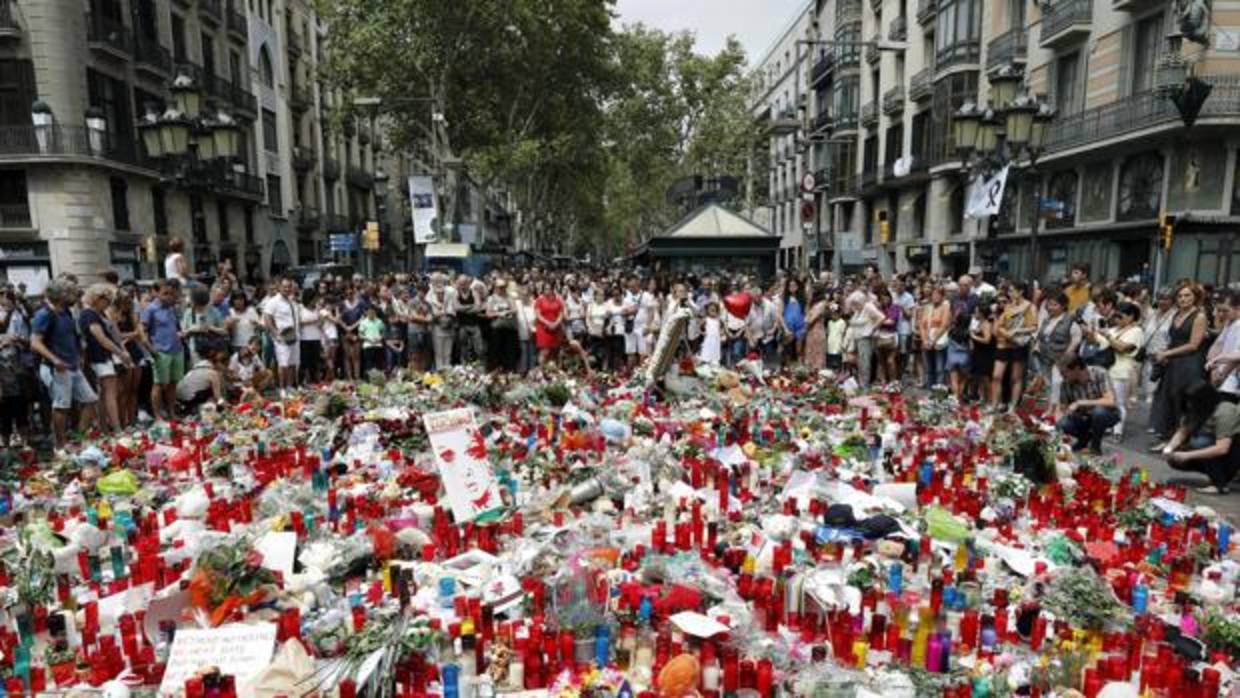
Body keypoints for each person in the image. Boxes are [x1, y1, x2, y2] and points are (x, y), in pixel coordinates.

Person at [31, 280, 98, 445]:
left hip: (72, 365)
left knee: (90, 400)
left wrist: (79, 355)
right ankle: (60, 445)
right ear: (62, 295)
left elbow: (72, 336)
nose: (76, 296)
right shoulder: (45, 314)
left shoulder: (67, 312)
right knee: (61, 406)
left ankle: (80, 439)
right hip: (57, 367)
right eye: (73, 293)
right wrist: (55, 360)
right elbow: (35, 342)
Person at [1150, 282, 1209, 451]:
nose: (1183, 299)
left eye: (1188, 295)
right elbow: (1172, 340)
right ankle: (1169, 438)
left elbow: (1193, 345)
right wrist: (1166, 354)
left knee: (1184, 402)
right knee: (1169, 400)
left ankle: (1180, 441)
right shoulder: (1175, 314)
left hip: (1190, 364)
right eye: (1180, 296)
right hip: (1173, 363)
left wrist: (1168, 354)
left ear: (1195, 297)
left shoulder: (1199, 316)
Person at [1162, 381, 1240, 494]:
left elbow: (1222, 448)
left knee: (1202, 443)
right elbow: (1182, 431)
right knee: (1176, 458)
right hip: (1215, 447)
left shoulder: (1224, 411)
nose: (1189, 405)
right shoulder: (1196, 411)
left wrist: (1188, 455)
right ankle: (1214, 475)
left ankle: (1220, 484)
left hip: (1233, 451)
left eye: (1191, 402)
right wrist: (1169, 449)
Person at [79, 284, 133, 432]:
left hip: (104, 356)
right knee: (110, 393)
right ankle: (116, 428)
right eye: (107, 300)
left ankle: (106, 428)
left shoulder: (99, 314)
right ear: (97, 299)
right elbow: (101, 338)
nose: (109, 303)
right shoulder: (89, 314)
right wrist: (121, 353)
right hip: (98, 357)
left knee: (105, 395)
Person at [1088, 302, 1144, 438]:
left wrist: (1107, 336)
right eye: (1116, 316)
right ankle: (1108, 425)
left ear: (1131, 316)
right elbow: (1094, 341)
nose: (1117, 319)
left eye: (1121, 316)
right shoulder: (1113, 329)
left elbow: (1123, 348)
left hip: (1122, 371)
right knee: (1107, 401)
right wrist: (1090, 330)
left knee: (1119, 403)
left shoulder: (1136, 331)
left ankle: (1118, 431)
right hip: (1106, 370)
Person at [1055, 356, 1120, 455]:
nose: (1061, 375)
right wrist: (1056, 430)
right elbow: (1062, 408)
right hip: (1083, 417)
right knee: (1062, 424)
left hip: (1108, 413)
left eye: (1064, 372)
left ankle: (1095, 445)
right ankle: (1084, 439)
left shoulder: (1099, 373)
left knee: (1099, 412)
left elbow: (1110, 401)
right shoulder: (1065, 383)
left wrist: (1080, 402)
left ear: (1076, 369)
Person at [140, 280, 184, 421]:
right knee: (159, 384)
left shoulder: (171, 309)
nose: (169, 296)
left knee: (173, 384)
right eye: (165, 293)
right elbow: (142, 329)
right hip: (161, 352)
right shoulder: (151, 309)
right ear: (157, 293)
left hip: (176, 349)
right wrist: (150, 348)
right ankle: (157, 415)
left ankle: (171, 412)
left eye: (171, 293)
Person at [1031, 292, 1081, 409]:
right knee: (1048, 384)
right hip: (1045, 357)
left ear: (1063, 306)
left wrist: (1066, 356)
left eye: (1054, 305)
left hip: (1061, 358)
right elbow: (1041, 336)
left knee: (1057, 384)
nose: (1050, 307)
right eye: (1049, 305)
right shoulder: (1047, 320)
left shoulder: (1070, 320)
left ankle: (1058, 410)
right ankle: (1050, 409)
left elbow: (1076, 339)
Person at [992, 281, 1036, 410]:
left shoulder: (1030, 306)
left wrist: (1017, 331)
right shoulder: (1009, 306)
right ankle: (995, 404)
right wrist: (1006, 333)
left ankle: (1012, 406)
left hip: (1019, 344)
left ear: (1020, 291)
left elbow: (1033, 327)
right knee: (996, 375)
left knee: (1015, 378)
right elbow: (1000, 325)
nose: (1009, 294)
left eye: (1012, 291)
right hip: (1004, 343)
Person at [262, 277, 302, 391]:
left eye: (289, 287)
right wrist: (275, 333)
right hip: (282, 336)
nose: (287, 289)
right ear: (279, 287)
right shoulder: (273, 301)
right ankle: (282, 388)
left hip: (294, 335)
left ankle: (290, 386)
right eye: (284, 287)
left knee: (293, 363)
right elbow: (267, 317)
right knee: (283, 364)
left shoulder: (292, 300)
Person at [183, 286, 228, 365]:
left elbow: (225, 332)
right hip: (195, 351)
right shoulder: (188, 312)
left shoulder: (213, 311)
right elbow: (183, 334)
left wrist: (210, 328)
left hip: (212, 350)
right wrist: (191, 330)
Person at [918, 286, 951, 389]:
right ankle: (929, 388)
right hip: (927, 339)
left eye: (938, 295)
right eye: (933, 295)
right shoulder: (927, 307)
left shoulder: (945, 308)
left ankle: (939, 391)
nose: (935, 297)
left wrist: (933, 340)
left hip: (938, 341)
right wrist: (924, 340)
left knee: (939, 368)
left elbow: (944, 325)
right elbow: (921, 325)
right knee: (928, 367)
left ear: (942, 296)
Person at [427, 274, 457, 372]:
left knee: (448, 352)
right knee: (439, 352)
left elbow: (453, 311)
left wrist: (444, 313)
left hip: (449, 327)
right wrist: (440, 313)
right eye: (438, 293)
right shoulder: (430, 296)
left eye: (442, 292)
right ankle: (439, 371)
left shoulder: (451, 293)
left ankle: (448, 372)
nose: (440, 294)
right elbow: (432, 315)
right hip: (437, 328)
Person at [535, 282, 565, 370]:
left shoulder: (558, 300)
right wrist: (548, 323)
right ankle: (540, 372)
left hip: (556, 328)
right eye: (545, 289)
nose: (547, 291)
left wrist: (556, 323)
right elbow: (538, 314)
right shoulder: (539, 300)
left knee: (555, 350)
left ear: (552, 289)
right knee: (544, 351)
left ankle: (553, 372)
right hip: (543, 328)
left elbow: (561, 313)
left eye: (549, 289)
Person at [969, 301, 995, 403]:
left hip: (985, 355)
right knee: (980, 378)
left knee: (986, 378)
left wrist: (974, 336)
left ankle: (990, 399)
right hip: (978, 353)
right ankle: (983, 398)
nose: (974, 314)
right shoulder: (980, 323)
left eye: (976, 312)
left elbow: (987, 339)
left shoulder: (986, 324)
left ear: (981, 313)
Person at [874, 287, 900, 383]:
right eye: (882, 298)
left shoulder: (895, 307)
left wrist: (880, 321)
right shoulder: (879, 308)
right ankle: (883, 381)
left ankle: (893, 381)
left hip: (891, 336)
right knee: (881, 362)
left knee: (890, 360)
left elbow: (891, 322)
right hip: (880, 336)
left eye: (886, 297)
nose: (885, 300)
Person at [297, 289, 324, 383]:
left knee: (315, 362)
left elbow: (320, 324)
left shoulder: (317, 309)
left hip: (316, 338)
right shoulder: (300, 308)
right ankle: (301, 382)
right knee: (304, 362)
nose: (316, 300)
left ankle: (314, 382)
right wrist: (313, 321)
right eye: (314, 298)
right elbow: (299, 322)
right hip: (304, 339)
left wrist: (321, 318)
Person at [780, 278, 807, 365]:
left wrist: (805, 328)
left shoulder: (803, 299)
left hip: (800, 329)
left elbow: (807, 314)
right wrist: (785, 329)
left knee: (799, 352)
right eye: (790, 285)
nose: (792, 287)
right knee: (788, 352)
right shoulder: (784, 299)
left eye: (794, 285)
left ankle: (800, 370)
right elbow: (780, 315)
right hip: (788, 329)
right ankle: (787, 371)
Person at [802, 286, 828, 371]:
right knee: (810, 352)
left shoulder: (822, 303)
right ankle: (810, 374)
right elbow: (806, 316)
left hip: (817, 330)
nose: (810, 293)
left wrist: (805, 327)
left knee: (818, 353)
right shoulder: (813, 304)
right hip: (811, 331)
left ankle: (818, 373)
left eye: (812, 291)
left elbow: (812, 319)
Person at [359, 305, 385, 374]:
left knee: (378, 363)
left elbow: (383, 332)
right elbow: (360, 335)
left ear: (375, 313)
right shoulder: (363, 322)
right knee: (369, 363)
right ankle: (369, 378)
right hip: (368, 345)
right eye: (370, 312)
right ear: (367, 313)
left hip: (378, 344)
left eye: (373, 312)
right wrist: (368, 339)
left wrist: (380, 338)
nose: (371, 314)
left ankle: (378, 378)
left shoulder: (379, 321)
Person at [825, 303, 846, 371]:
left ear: (839, 313)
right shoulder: (829, 322)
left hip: (838, 346)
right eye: (832, 313)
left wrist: (842, 345)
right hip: (830, 346)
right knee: (830, 364)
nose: (833, 315)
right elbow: (828, 333)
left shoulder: (842, 322)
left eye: (835, 313)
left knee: (837, 364)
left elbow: (843, 334)